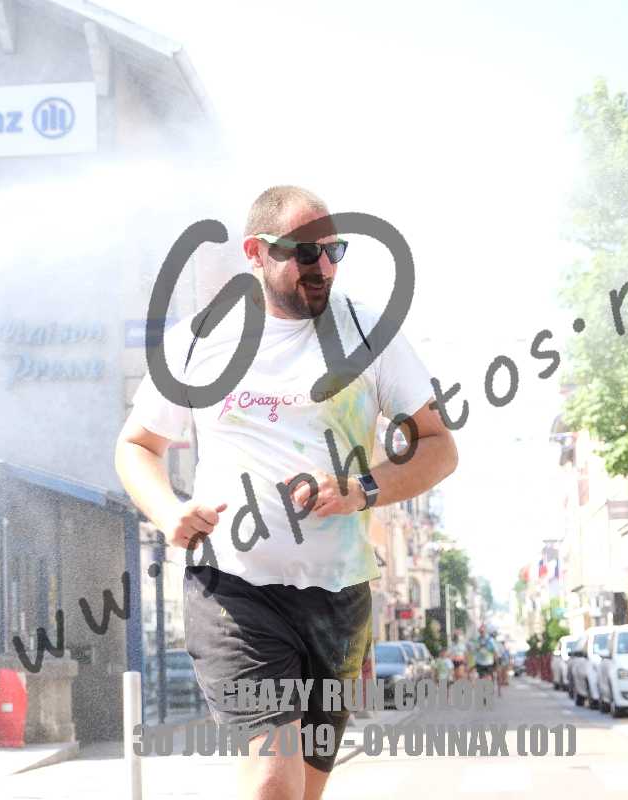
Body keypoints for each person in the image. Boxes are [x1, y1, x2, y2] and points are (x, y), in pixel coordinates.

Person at [115, 186, 458, 800]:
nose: (322, 266)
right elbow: (137, 445)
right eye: (305, 253)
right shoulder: (200, 339)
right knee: (273, 780)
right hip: (233, 589)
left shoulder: (368, 333)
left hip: (338, 600)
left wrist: (362, 487)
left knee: (305, 790)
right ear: (256, 252)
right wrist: (168, 512)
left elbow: (438, 446)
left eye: (334, 251)